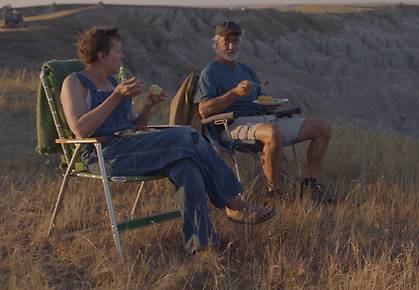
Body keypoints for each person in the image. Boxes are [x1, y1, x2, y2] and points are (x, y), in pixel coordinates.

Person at [60, 26, 274, 256]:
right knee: (188, 134)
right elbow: (80, 130)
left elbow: (135, 125)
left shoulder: (114, 83)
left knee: (187, 168)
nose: (122, 56)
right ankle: (235, 203)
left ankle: (202, 247)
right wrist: (116, 97)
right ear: (102, 55)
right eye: (118, 51)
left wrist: (149, 106)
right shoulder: (75, 83)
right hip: (105, 154)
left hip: (133, 145)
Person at [195, 21, 334, 204]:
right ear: (216, 44)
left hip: (264, 119)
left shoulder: (246, 70)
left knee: (323, 127)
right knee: (272, 132)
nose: (231, 46)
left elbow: (260, 99)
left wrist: (270, 105)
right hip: (232, 125)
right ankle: (273, 194)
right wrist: (234, 93)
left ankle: (308, 187)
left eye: (235, 41)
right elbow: (204, 110)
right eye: (226, 41)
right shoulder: (210, 72)